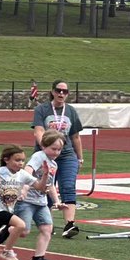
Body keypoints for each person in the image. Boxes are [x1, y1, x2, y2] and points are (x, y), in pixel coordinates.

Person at [32, 80, 84, 239]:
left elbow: (75, 136)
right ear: (52, 91)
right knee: (46, 187)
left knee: (68, 186)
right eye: (58, 90)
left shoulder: (71, 111)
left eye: (65, 91)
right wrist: (45, 149)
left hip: (67, 155)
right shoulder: (42, 109)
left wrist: (80, 158)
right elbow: (39, 131)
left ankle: (70, 224)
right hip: (45, 154)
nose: (61, 94)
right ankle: (48, 223)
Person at [17, 130, 63, 260]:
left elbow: (50, 185)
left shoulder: (54, 164)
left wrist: (56, 201)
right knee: (24, 232)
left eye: (59, 149)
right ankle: (8, 227)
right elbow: (28, 170)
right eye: (53, 148)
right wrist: (24, 188)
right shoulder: (39, 156)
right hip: (27, 201)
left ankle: (38, 258)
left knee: (47, 229)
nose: (56, 152)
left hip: (41, 202)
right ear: (44, 146)